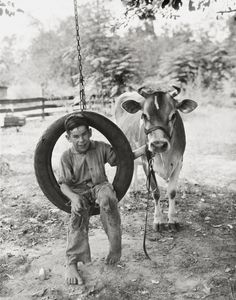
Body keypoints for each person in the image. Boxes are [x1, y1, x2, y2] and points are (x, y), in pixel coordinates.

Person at [58, 114, 121, 285]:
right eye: (76, 136)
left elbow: (122, 158)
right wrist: (73, 198)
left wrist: (145, 150)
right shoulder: (67, 157)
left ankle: (115, 246)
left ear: (91, 132)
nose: (81, 140)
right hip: (79, 192)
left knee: (108, 200)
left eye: (84, 134)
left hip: (101, 186)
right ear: (68, 138)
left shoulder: (100, 147)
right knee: (77, 213)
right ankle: (72, 262)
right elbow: (63, 184)